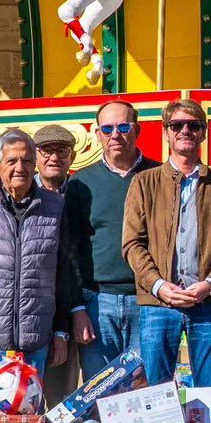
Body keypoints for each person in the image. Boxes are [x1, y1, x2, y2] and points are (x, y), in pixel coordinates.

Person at [0, 129, 88, 373]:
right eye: (11, 161)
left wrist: (61, 331)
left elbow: (63, 274)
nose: (19, 167)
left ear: (34, 165)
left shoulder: (54, 207)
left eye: (27, 161)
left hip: (35, 339)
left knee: (29, 408)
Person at [123, 98, 211, 389]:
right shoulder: (144, 182)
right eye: (177, 125)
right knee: (154, 392)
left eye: (193, 125)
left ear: (203, 132)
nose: (185, 130)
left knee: (210, 391)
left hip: (208, 303)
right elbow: (132, 243)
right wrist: (159, 285)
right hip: (158, 303)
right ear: (166, 132)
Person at [67, 100, 154, 378]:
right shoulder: (81, 182)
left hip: (147, 301)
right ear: (97, 134)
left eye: (123, 126)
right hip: (97, 303)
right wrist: (78, 307)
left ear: (137, 130)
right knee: (99, 391)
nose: (115, 135)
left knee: (145, 390)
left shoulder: (159, 176)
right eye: (107, 128)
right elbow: (70, 249)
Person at [31, 123, 85, 402]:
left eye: (61, 151)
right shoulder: (21, 192)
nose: (54, 158)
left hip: (72, 304)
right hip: (30, 307)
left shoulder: (81, 193)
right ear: (35, 156)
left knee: (62, 394)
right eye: (46, 151)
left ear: (72, 157)